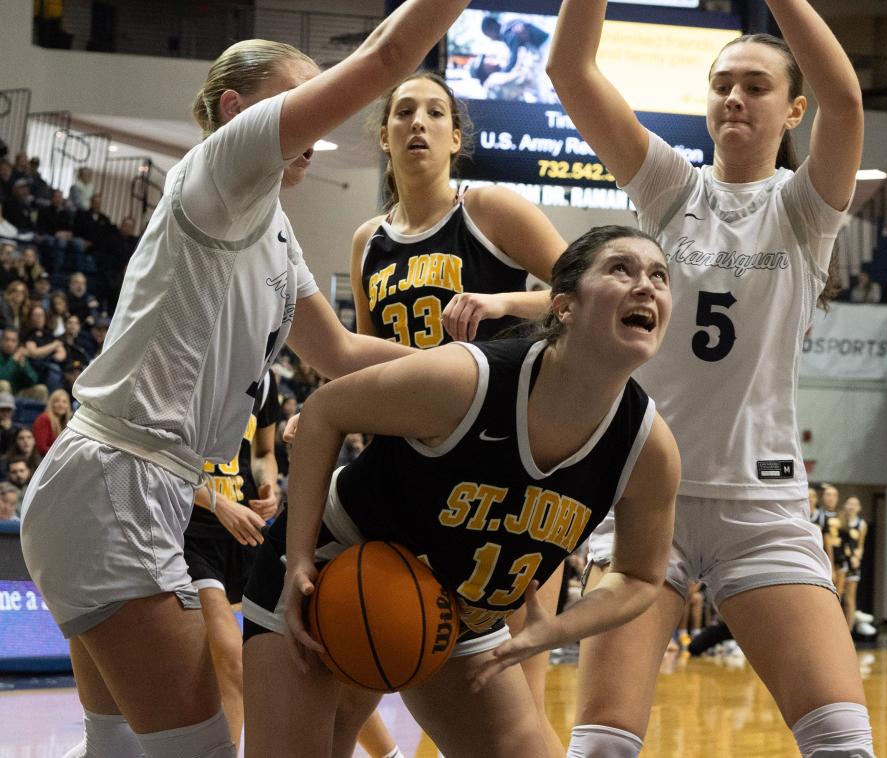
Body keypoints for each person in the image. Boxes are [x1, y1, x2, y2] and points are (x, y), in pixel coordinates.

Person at [18, 4, 474, 755]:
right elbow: (387, 59)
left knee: (118, 748)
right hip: (118, 483)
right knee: (198, 748)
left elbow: (340, 353)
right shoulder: (222, 169)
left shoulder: (274, 227)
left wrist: (477, 368)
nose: (310, 126)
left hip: (126, 489)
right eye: (296, 103)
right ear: (236, 112)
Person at [548, 1, 872, 755]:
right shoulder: (673, 190)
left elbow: (848, 99)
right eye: (721, 83)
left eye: (756, 86)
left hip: (761, 508)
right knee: (600, 746)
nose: (733, 96)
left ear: (794, 110)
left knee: (842, 743)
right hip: (643, 500)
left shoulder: (803, 208)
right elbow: (569, 70)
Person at [241, 225, 679, 758]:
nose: (646, 286)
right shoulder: (470, 380)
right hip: (337, 564)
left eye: (659, 276)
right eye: (621, 269)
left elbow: (639, 575)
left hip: (456, 610)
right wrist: (299, 560)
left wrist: (555, 630)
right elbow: (324, 413)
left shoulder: (649, 448)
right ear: (563, 306)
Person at [349, 70, 569, 757]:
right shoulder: (366, 241)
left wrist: (504, 303)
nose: (418, 122)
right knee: (400, 642)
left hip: (506, 458)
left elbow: (584, 293)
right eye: (403, 111)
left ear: (456, 137)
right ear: (384, 136)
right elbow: (365, 358)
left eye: (435, 112)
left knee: (515, 653)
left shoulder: (490, 210)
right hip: (409, 467)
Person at [183, 369, 281, 747]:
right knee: (231, 663)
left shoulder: (266, 376)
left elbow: (264, 453)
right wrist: (218, 502)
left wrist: (269, 485)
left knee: (301, 652)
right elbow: (156, 456)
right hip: (188, 529)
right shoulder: (191, 362)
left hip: (242, 526)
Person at [838, 497, 868, 633]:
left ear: (859, 507)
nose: (851, 506)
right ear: (845, 505)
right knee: (838, 595)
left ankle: (849, 631)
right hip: (840, 562)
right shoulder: (839, 520)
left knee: (850, 598)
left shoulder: (861, 524)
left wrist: (857, 557)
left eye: (855, 504)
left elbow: (861, 546)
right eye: (849, 503)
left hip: (853, 563)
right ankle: (835, 629)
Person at [32, 387, 73, 455]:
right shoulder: (44, 418)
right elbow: (42, 448)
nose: (61, 405)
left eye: (64, 402)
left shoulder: (65, 422)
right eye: (57, 401)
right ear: (51, 404)